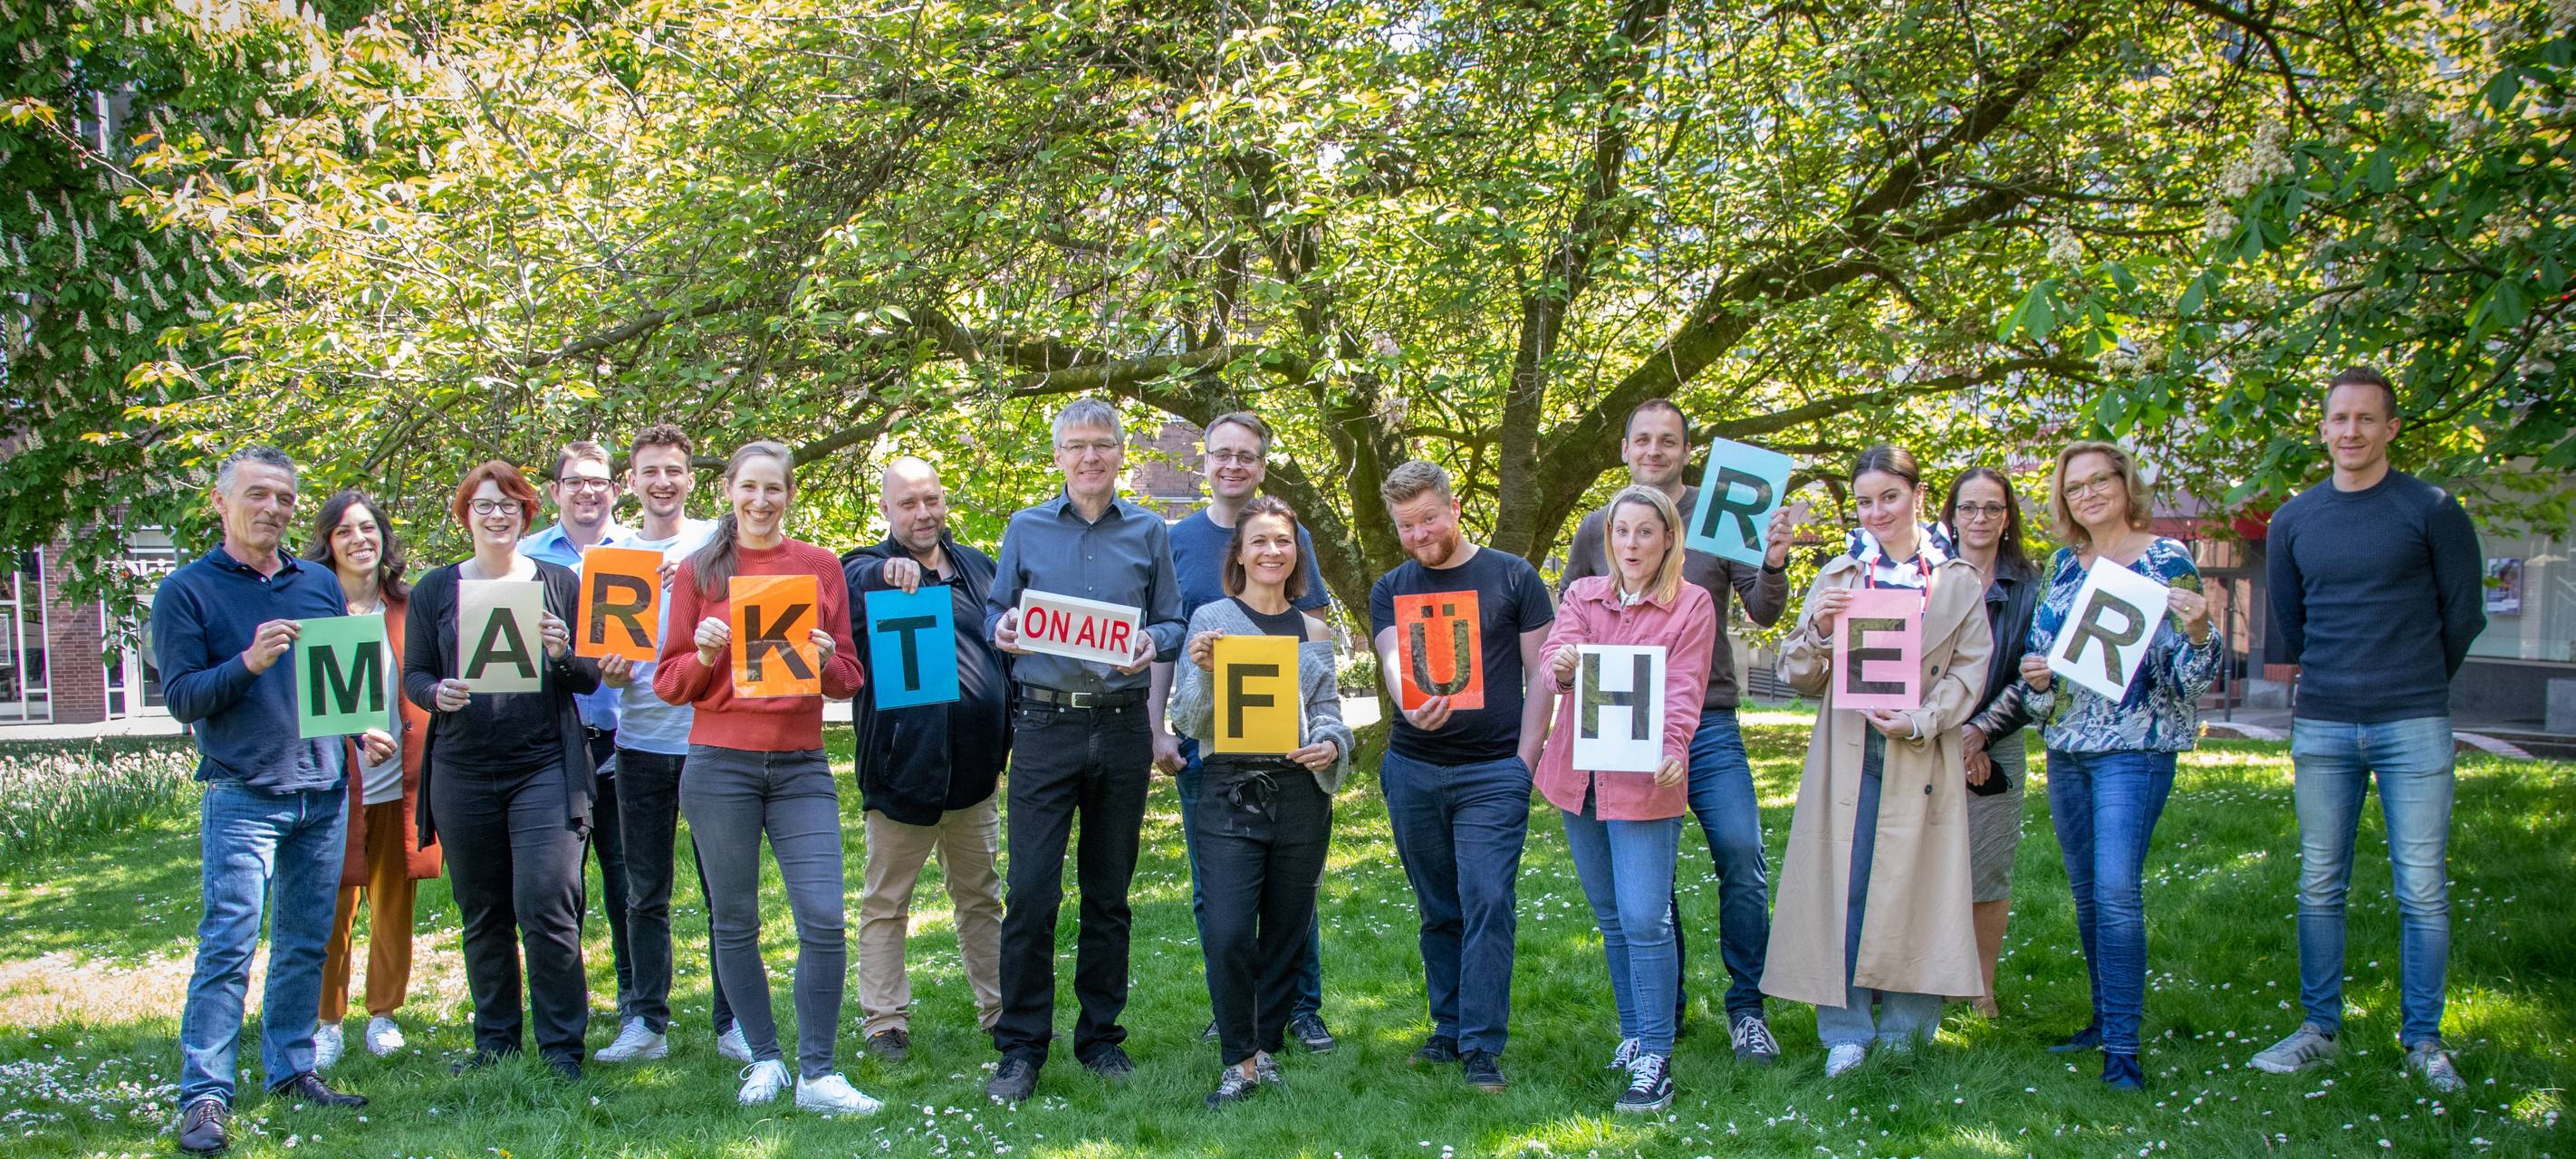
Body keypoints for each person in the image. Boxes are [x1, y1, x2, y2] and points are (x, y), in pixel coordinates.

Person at [2247, 368, 2485, 1092]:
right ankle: (2319, 1029)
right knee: (2320, 882)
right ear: (2322, 429)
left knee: (2422, 889)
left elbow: (2463, 614)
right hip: (2321, 726)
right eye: (2338, 420)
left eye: (2365, 420)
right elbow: (2289, 623)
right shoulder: (2293, 520)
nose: (2350, 432)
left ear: (2390, 428)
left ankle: (2423, 1041)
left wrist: (2409, 679)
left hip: (2413, 720)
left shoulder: (2432, 509)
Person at [1561, 398, 1796, 1063]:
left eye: (1669, 441)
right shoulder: (1600, 526)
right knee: (1645, 884)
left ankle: (1746, 1009)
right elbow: (1573, 618)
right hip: (1623, 727)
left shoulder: (1725, 512)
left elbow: (1764, 609)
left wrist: (1773, 561)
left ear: (1687, 451)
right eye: (1643, 439)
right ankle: (1661, 1014)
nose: (1655, 450)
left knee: (1742, 856)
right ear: (1625, 450)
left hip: (1709, 720)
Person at [652, 440, 879, 1116]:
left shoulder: (818, 567)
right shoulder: (699, 572)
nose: (760, 501)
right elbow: (669, 684)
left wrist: (823, 657)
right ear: (727, 490)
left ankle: (819, 1073)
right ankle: (766, 1059)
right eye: (748, 487)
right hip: (719, 766)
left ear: (788, 495)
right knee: (736, 920)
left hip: (802, 766)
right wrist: (700, 655)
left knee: (822, 916)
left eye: (772, 489)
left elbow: (849, 677)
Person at [155, 446, 371, 1154]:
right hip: (243, 790)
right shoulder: (186, 591)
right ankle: (205, 1095)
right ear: (221, 502)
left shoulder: (316, 583)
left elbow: (335, 684)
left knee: (306, 942)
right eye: (257, 495)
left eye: (284, 497)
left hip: (324, 790)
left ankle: (290, 1069)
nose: (272, 509)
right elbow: (182, 696)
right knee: (228, 944)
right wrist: (248, 662)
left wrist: (360, 725)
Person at [982, 398, 1186, 1103]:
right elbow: (995, 609)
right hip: (1044, 725)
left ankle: (1100, 1038)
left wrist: (1151, 644)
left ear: (1122, 453)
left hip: (1122, 723)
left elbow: (1173, 622)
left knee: (1109, 894)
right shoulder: (1025, 527)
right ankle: (1020, 1048)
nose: (1091, 456)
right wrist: (1004, 624)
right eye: (1077, 445)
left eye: (1103, 444)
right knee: (1031, 892)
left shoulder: (1151, 530)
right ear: (1059, 456)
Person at [1764, 445, 1992, 1078]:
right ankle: (1845, 1027)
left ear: (1917, 495)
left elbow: (1972, 669)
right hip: (1849, 753)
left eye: (1889, 497)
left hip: (1920, 753)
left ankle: (1906, 1028)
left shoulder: (1957, 580)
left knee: (1918, 887)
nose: (1877, 512)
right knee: (1848, 883)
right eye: (1865, 501)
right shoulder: (1839, 575)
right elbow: (1802, 675)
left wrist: (1922, 720)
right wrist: (1816, 631)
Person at [2016, 439, 2219, 1091]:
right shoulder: (2063, 566)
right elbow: (2040, 656)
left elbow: (2192, 680)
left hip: (2136, 748)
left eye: (2099, 480)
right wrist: (2038, 678)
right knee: (2086, 894)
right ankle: (2103, 1022)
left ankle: (2125, 1052)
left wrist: (2198, 630)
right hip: (2069, 749)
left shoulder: (2167, 561)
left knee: (2115, 891)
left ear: (2126, 484)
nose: (2088, 495)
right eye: (2074, 487)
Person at [402, 460, 602, 1082]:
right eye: (484, 505)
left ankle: (563, 1049)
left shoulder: (558, 582)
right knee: (483, 910)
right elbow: (414, 674)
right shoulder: (436, 589)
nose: (496, 516)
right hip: (462, 769)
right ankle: (495, 1045)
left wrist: (561, 654)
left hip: (544, 765)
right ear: (465, 515)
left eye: (509, 506)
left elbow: (590, 677)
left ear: (525, 516)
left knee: (547, 904)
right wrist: (437, 694)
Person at [1369, 458, 1555, 1094]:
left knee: (1489, 901)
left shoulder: (1513, 576)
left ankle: (1481, 1046)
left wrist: (1524, 762)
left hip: (1493, 771)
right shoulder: (1392, 585)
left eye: (1428, 518)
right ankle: (1447, 1030)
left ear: (1452, 507)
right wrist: (1408, 700)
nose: (1420, 534)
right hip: (1413, 768)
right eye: (1406, 525)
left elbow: (1545, 676)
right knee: (1438, 907)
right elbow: (1393, 657)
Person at [1169, 496, 1357, 1108]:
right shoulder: (1213, 621)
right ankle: (1236, 1059)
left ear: (1295, 553)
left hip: (1300, 791)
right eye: (1260, 541)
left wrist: (1331, 744)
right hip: (1230, 789)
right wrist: (1200, 670)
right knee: (1227, 930)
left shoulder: (1315, 631)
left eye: (1283, 541)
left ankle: (1262, 1052)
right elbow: (1190, 720)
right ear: (1240, 554)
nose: (1272, 551)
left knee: (1286, 930)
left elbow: (1329, 712)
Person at [1535, 485, 1716, 1112]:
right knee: (1613, 918)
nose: (1632, 544)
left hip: (1645, 780)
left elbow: (1685, 688)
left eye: (1645, 532)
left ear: (1669, 538)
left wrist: (1674, 745)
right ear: (1607, 539)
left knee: (1645, 918)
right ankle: (1635, 1034)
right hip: (1578, 779)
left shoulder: (1691, 605)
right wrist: (1558, 667)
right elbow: (1559, 649)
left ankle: (1657, 1059)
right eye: (1621, 532)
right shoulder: (1585, 595)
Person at [841, 455, 1010, 1063]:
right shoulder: (864, 568)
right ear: (885, 510)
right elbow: (850, 580)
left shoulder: (978, 568)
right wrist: (885, 570)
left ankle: (1000, 1013)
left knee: (982, 898)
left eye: (931, 500)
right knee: (886, 903)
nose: (923, 513)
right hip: (902, 772)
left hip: (974, 775)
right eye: (908, 503)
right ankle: (885, 1022)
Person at [592, 425, 742, 1065]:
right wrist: (607, 668)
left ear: (690, 477)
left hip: (711, 739)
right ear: (631, 481)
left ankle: (733, 1020)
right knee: (644, 889)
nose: (662, 482)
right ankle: (646, 1021)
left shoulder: (717, 543)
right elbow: (599, 650)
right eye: (649, 470)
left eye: (673, 470)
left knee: (724, 890)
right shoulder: (612, 554)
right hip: (640, 741)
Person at [304, 490, 442, 1069]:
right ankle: (326, 1021)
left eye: (369, 528)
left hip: (402, 781)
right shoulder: (312, 606)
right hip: (334, 782)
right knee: (331, 907)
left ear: (385, 539)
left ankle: (383, 1014)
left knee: (394, 904)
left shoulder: (412, 607)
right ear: (328, 544)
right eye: (345, 532)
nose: (360, 540)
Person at [518, 441, 639, 1048]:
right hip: (555, 744)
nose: (589, 492)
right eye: (576, 482)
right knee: (556, 888)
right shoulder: (522, 556)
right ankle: (563, 1014)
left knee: (627, 884)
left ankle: (634, 1008)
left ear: (615, 489)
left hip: (627, 738)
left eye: (600, 482)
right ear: (556, 489)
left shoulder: (641, 554)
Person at [1941, 467, 2041, 1019]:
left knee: (1987, 863)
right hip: (1926, 735)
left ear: (2008, 519)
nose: (1980, 519)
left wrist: (1980, 731)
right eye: (1968, 507)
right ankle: (1917, 972)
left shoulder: (2030, 584)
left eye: (1992, 509)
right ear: (1951, 515)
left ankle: (1980, 985)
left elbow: (2034, 674)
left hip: (1996, 738)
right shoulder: (1926, 576)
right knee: (1917, 858)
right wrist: (1951, 727)